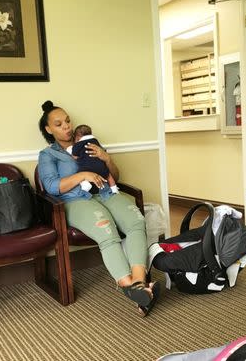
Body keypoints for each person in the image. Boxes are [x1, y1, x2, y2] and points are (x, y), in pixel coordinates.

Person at [38, 100, 159, 316]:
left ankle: (139, 284)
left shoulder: (88, 142)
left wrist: (107, 158)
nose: (66, 126)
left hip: (105, 193)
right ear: (49, 129)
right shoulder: (49, 155)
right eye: (59, 124)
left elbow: (115, 176)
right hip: (75, 200)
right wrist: (82, 175)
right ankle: (127, 285)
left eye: (67, 121)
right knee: (107, 231)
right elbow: (51, 186)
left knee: (136, 221)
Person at [66, 124, 118, 195]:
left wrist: (108, 159)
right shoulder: (95, 141)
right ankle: (114, 189)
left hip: (88, 169)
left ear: (77, 138)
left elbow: (74, 154)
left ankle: (85, 184)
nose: (66, 126)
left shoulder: (78, 144)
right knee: (108, 175)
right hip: (101, 169)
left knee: (81, 173)